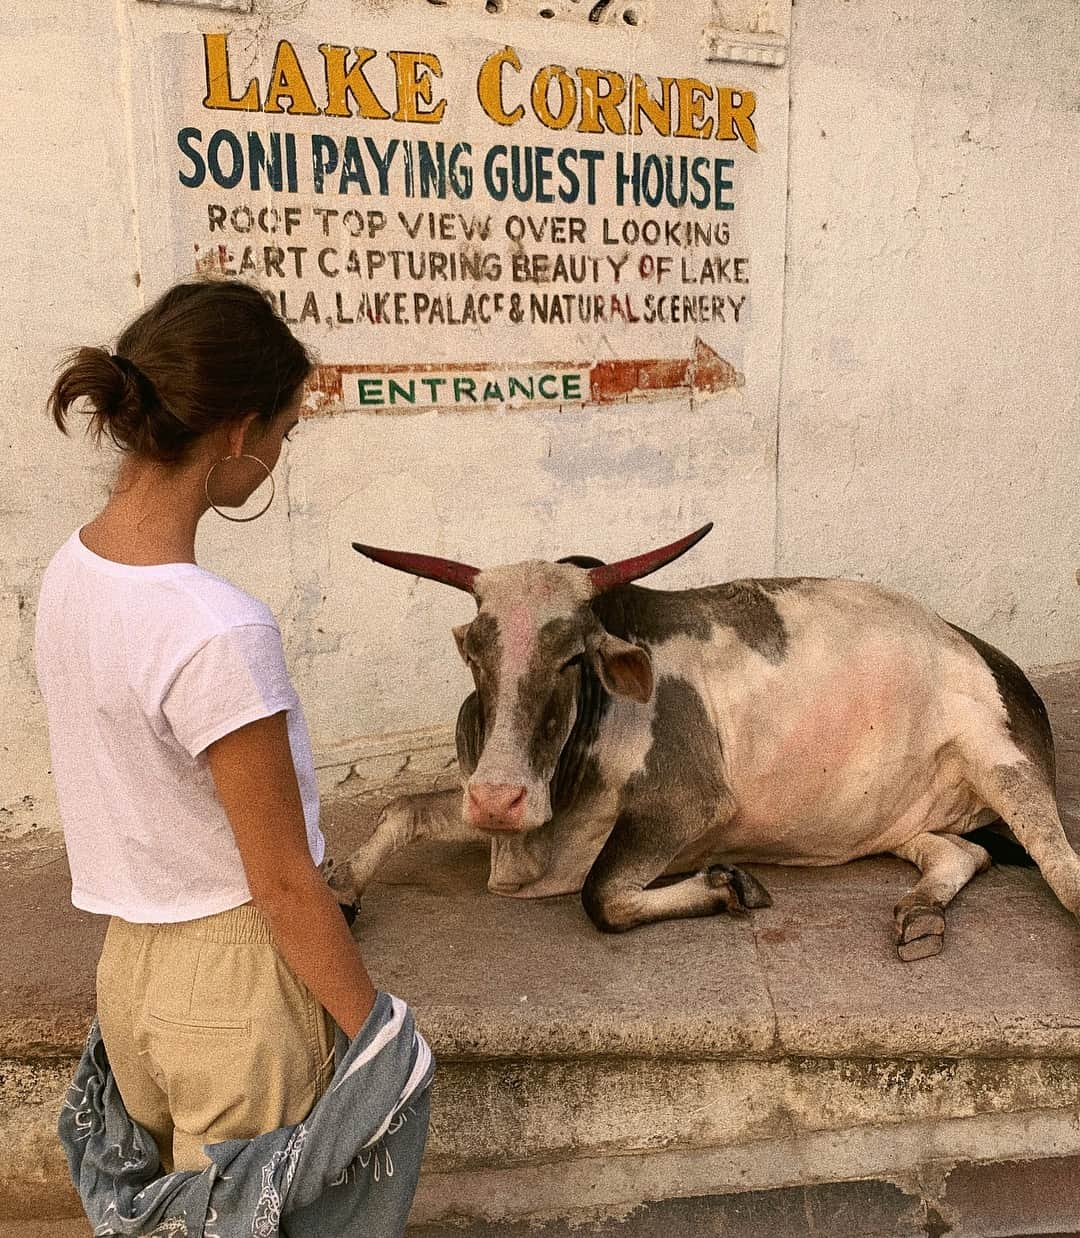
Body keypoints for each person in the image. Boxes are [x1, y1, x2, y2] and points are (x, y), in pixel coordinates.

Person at [35, 280, 383, 1177]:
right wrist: (383, 1042)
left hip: (128, 980)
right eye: (282, 433)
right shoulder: (216, 629)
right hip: (234, 995)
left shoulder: (71, 572)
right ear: (236, 433)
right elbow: (284, 883)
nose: (275, 454)